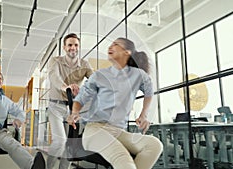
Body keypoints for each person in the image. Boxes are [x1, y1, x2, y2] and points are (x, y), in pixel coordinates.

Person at [67, 37, 163, 169]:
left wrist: (143, 115)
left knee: (154, 145)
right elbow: (80, 98)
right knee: (123, 159)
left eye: (116, 44)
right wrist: (74, 113)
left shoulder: (138, 75)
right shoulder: (99, 75)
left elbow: (149, 91)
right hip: (95, 130)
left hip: (119, 132)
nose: (110, 47)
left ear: (127, 52)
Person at [47, 33, 93, 169]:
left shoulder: (84, 64)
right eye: (70, 45)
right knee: (60, 141)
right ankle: (48, 167)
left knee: (70, 145)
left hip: (73, 109)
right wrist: (65, 87)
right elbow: (53, 77)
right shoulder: (55, 61)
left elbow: (94, 79)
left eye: (76, 45)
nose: (73, 48)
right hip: (56, 105)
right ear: (64, 47)